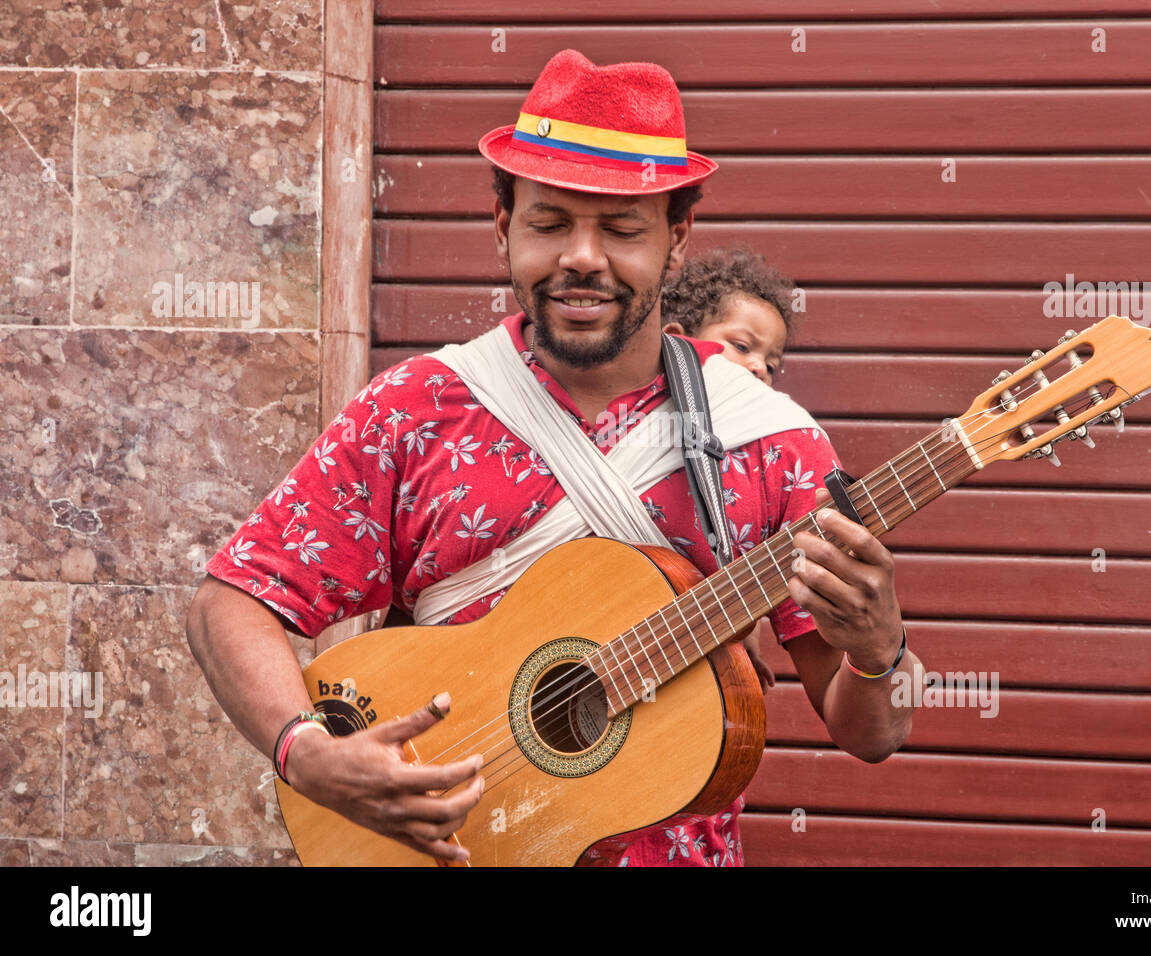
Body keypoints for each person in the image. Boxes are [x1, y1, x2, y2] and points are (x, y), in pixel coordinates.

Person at [186, 49, 919, 867]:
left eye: (620, 227)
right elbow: (233, 601)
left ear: (677, 239)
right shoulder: (415, 411)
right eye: (549, 222)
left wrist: (878, 650)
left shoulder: (769, 440)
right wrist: (305, 751)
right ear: (503, 227)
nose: (582, 256)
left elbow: (872, 734)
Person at [660, 248, 799, 692]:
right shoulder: (640, 427)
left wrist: (744, 642)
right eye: (742, 347)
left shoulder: (768, 453)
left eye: (772, 364)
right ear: (678, 341)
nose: (760, 367)